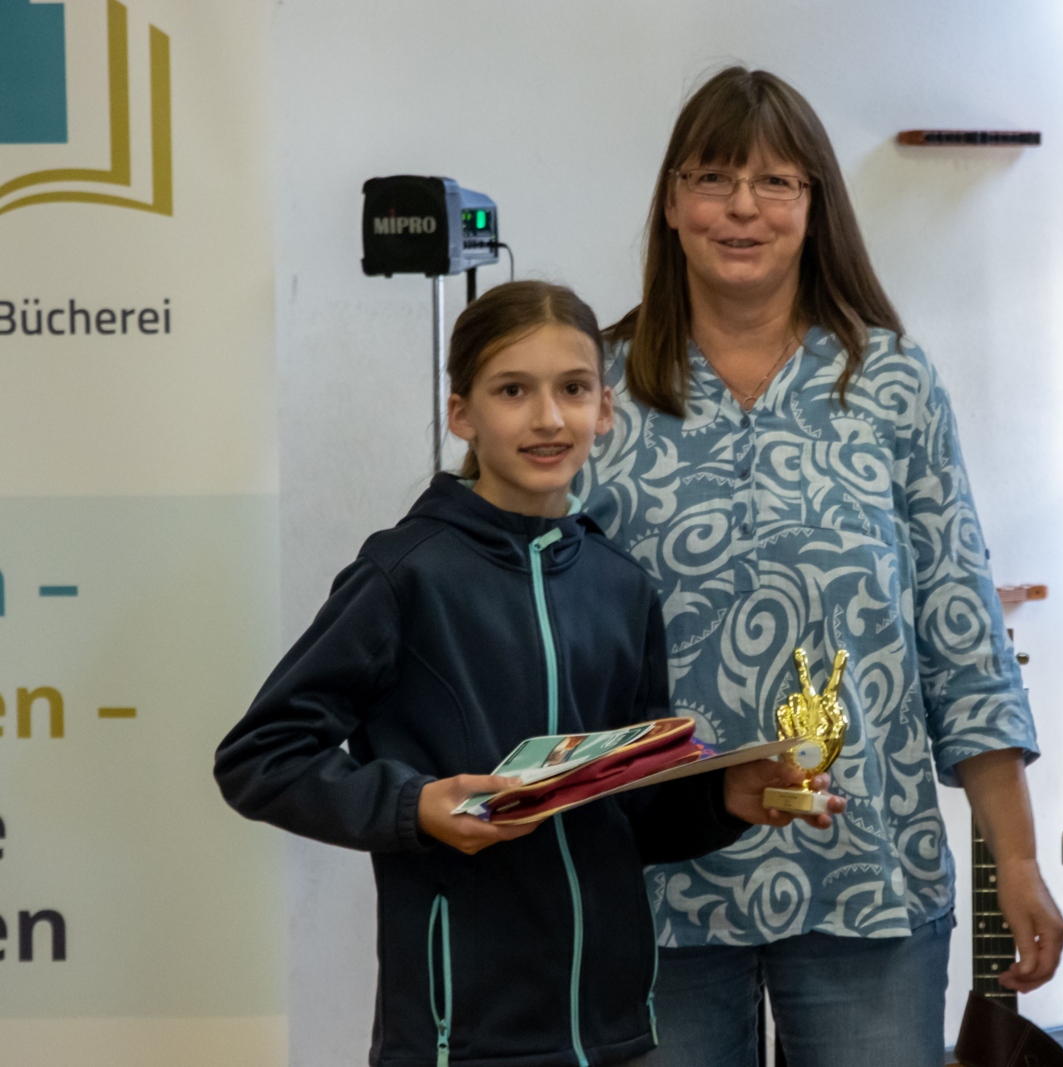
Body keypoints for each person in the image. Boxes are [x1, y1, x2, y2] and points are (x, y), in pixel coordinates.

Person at [214, 280, 840, 1067]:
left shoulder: (622, 586)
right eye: (514, 390)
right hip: (458, 1039)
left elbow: (629, 809)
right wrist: (414, 804)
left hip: (612, 1035)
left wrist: (726, 799)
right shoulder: (405, 575)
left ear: (603, 410)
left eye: (572, 389)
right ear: (462, 414)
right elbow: (260, 757)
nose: (548, 418)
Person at [579, 68, 1063, 1067]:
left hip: (866, 872)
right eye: (714, 179)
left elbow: (960, 631)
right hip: (654, 881)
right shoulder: (597, 387)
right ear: (672, 203)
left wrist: (1013, 859)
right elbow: (554, 639)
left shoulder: (888, 379)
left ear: (815, 205)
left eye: (776, 182)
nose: (743, 207)